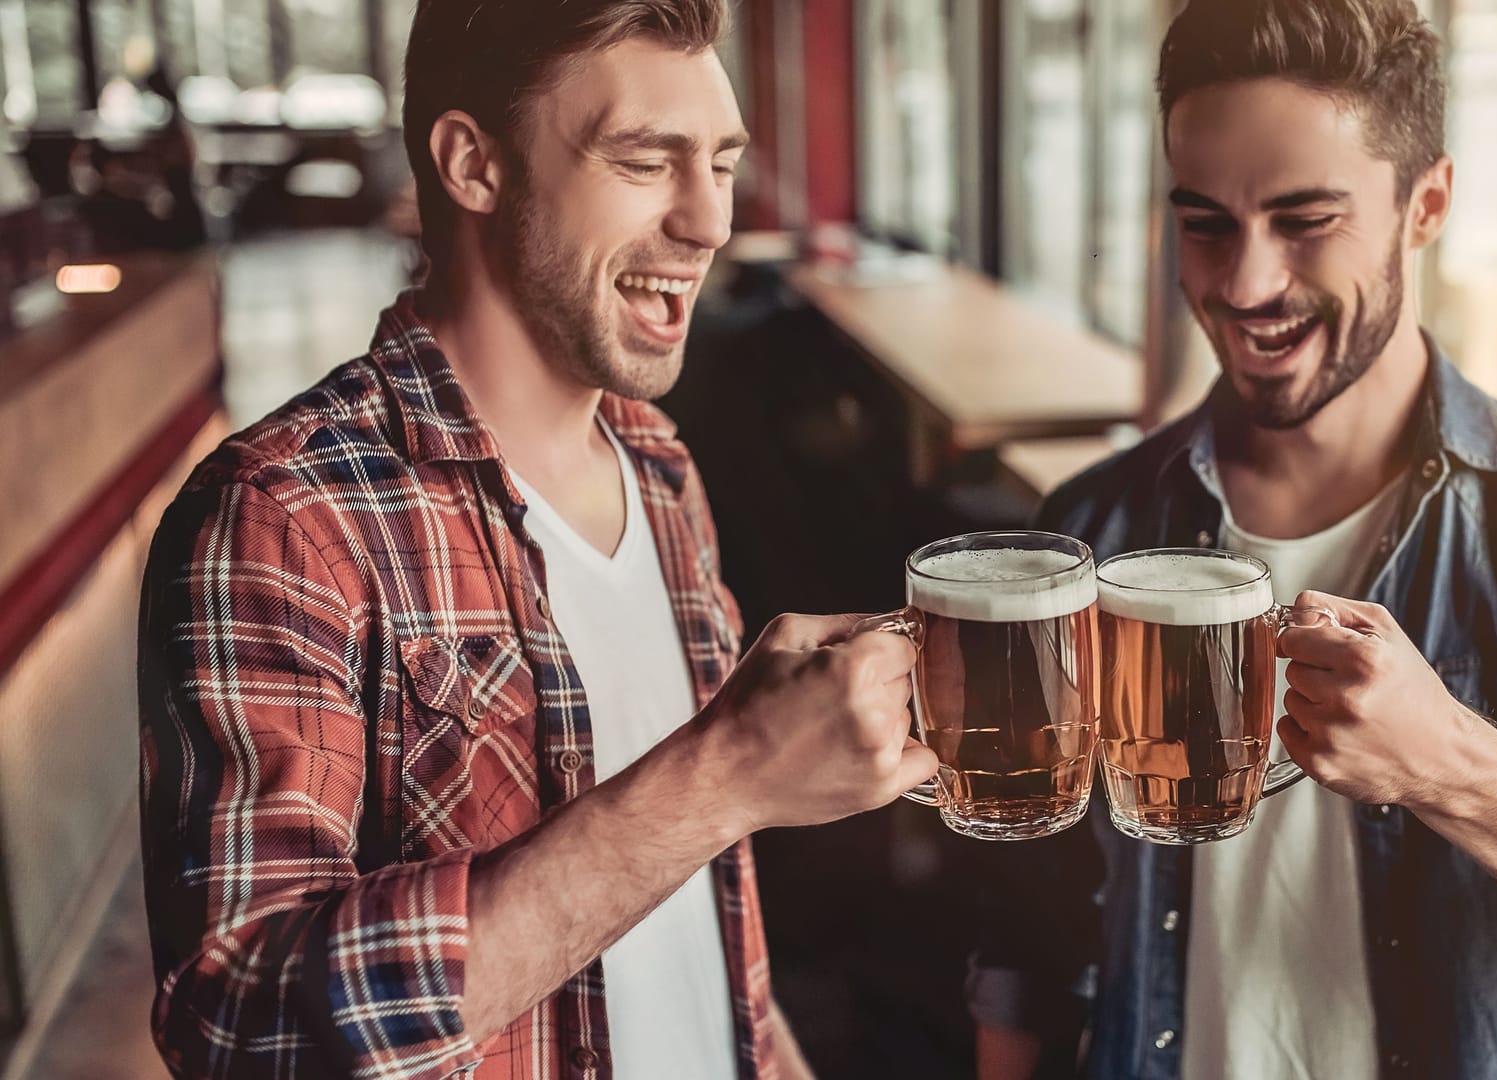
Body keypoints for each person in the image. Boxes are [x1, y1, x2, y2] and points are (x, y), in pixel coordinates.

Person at [971, 2, 1497, 1077]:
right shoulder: (1092, 528)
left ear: (1428, 204)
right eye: (1206, 224)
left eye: (1305, 220)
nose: (1244, 285)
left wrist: (1453, 766)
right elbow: (1028, 940)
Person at [136, 2, 935, 1077]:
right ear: (473, 164)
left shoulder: (661, 469)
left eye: (723, 162)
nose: (710, 221)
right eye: (647, 160)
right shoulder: (285, 519)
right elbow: (244, 1030)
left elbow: (696, 919)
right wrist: (725, 773)